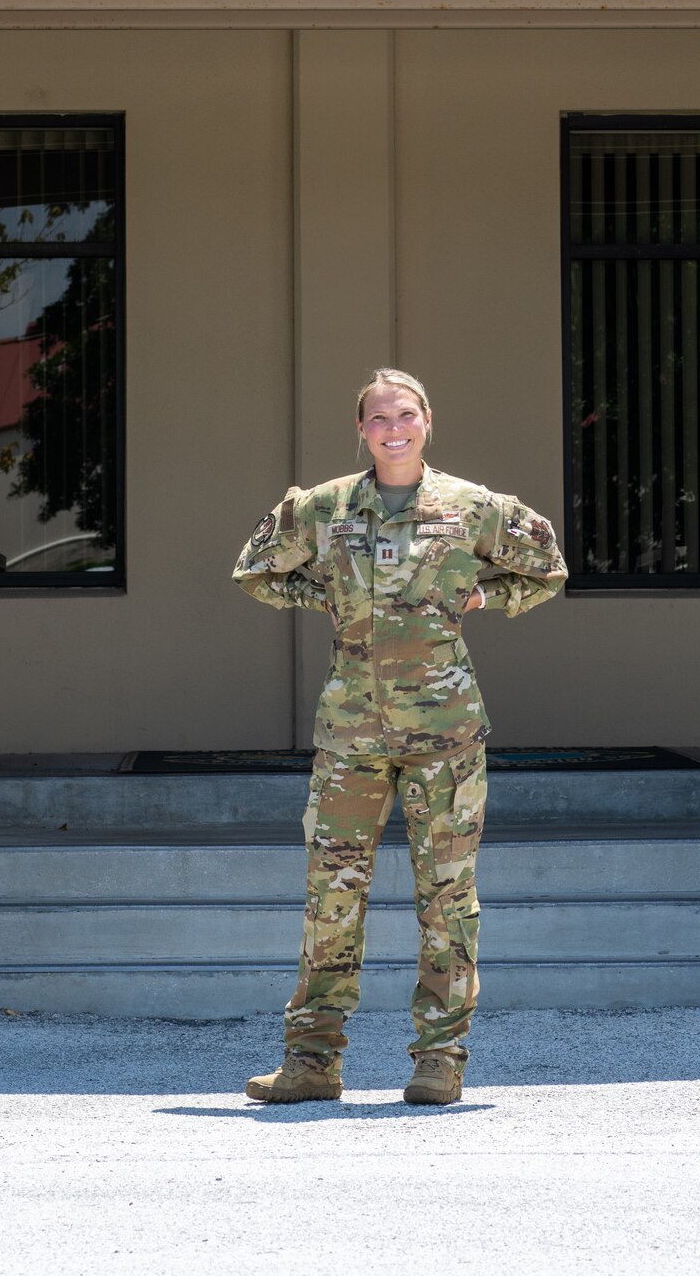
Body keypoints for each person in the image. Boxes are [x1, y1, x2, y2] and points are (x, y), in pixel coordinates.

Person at [232, 368, 566, 1106]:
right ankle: (312, 1062)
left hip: (445, 733)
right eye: (379, 418)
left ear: (427, 421)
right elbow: (253, 569)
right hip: (352, 733)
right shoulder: (323, 507)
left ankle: (440, 1061)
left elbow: (547, 566)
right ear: (362, 429)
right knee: (332, 896)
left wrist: (489, 595)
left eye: (406, 415)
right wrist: (320, 593)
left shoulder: (471, 506)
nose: (394, 429)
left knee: (447, 897)